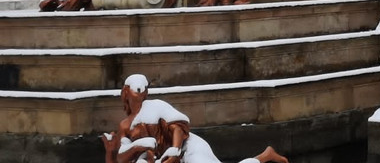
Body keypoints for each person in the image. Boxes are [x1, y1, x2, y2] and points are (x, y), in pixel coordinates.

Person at [102, 73, 288, 163]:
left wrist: (175, 151)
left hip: (188, 147)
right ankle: (264, 156)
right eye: (135, 90)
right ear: (125, 92)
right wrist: (113, 151)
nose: (140, 93)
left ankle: (264, 157)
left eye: (143, 89)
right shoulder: (125, 125)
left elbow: (178, 126)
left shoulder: (156, 106)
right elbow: (120, 159)